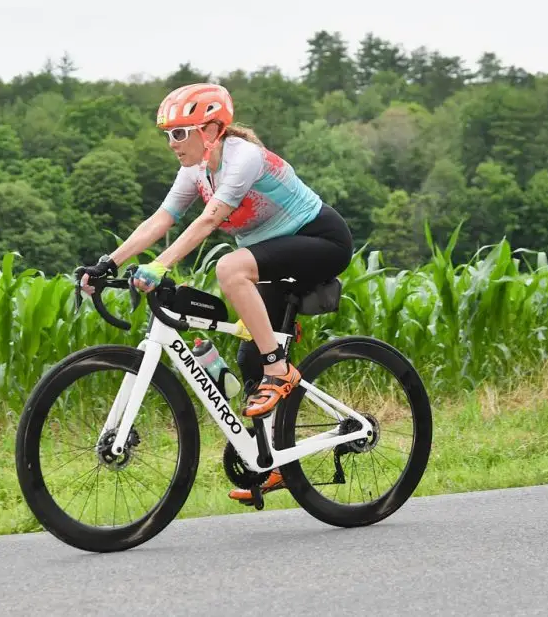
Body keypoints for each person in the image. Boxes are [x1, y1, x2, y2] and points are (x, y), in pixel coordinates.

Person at [78, 82, 354, 501]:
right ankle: (278, 459)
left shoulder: (243, 158)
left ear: (209, 130)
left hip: (321, 241)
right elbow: (162, 218)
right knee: (248, 355)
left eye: (178, 133)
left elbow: (208, 221)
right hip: (275, 258)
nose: (171, 143)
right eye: (167, 134)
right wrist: (108, 263)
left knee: (229, 267)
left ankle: (280, 371)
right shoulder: (195, 170)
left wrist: (159, 264)